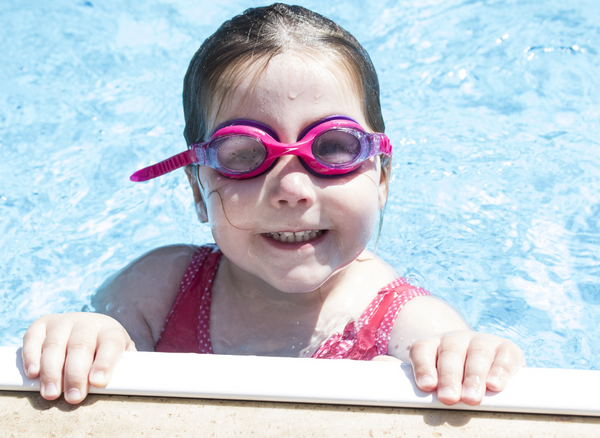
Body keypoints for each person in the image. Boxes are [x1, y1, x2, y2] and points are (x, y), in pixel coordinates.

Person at [21, 3, 524, 406]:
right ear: (198, 191)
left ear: (383, 177)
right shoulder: (157, 291)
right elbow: (94, 340)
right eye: (244, 155)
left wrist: (464, 358)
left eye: (333, 148)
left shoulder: (410, 327)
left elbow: (462, 374)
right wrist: (86, 334)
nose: (293, 189)